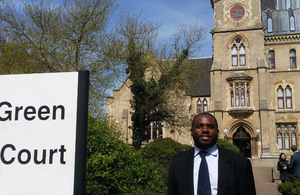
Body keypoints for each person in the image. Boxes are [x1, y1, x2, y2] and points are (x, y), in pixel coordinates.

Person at [167, 113, 256, 195]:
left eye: (210, 126)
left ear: (217, 132)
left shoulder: (240, 163)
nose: (205, 130)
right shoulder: (178, 162)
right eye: (199, 126)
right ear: (191, 131)